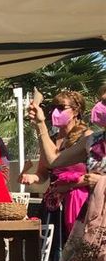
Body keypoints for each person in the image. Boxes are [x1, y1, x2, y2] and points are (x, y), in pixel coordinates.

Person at [29, 86, 106, 261]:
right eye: (101, 101)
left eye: (105, 103)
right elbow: (54, 161)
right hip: (93, 217)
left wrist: (98, 180)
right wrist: (40, 124)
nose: (100, 107)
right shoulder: (93, 140)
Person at [19, 91, 92, 237]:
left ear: (76, 110)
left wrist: (69, 185)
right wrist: (32, 177)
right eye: (53, 107)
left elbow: (96, 173)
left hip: (78, 201)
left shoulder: (87, 137)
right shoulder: (50, 139)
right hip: (53, 203)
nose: (55, 112)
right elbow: (44, 172)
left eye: (61, 107)